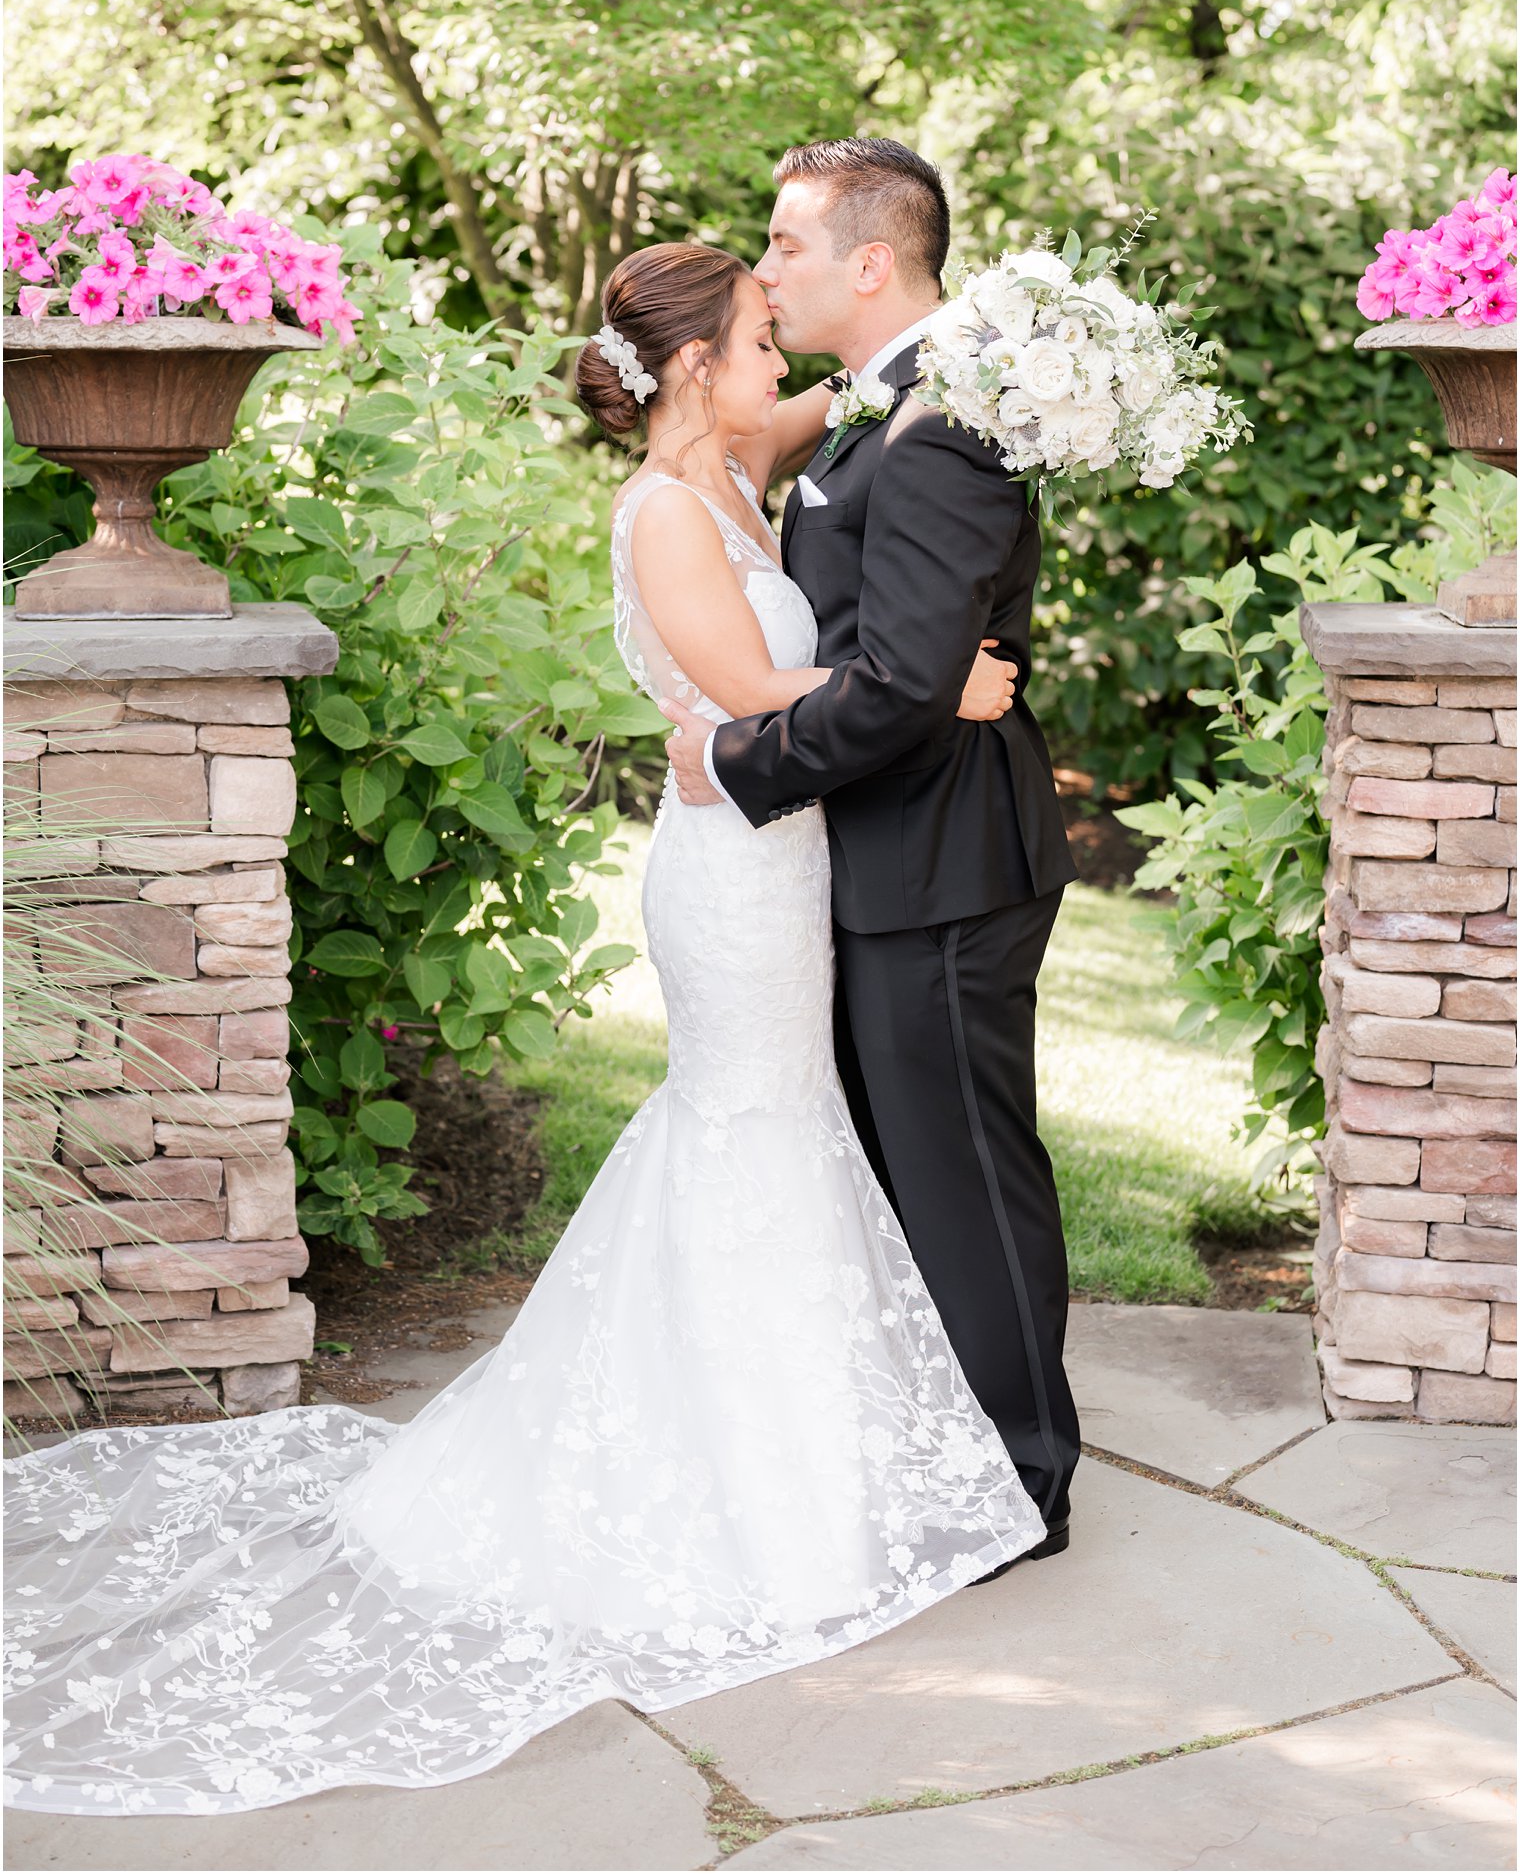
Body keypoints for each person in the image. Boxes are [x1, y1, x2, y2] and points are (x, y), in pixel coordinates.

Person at [2, 235, 1048, 1823]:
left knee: (790, 1132)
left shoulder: (746, 446)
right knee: (746, 1130)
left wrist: (1018, 354)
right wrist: (931, 691)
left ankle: (811, 1451)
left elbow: (884, 379)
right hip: (734, 872)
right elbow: (752, 691)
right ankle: (755, 1485)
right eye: (757, 334)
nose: (778, 350)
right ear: (696, 366)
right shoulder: (661, 513)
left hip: (788, 864)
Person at [661, 137, 1081, 1542]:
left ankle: (1022, 1480)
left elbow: (904, 683)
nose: (765, 271)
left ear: (871, 261)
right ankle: (943, 1448)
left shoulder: (945, 423)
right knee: (909, 1176)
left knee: (961, 1178)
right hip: (886, 858)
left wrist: (736, 757)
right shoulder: (883, 402)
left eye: (783, 246)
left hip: (947, 863)